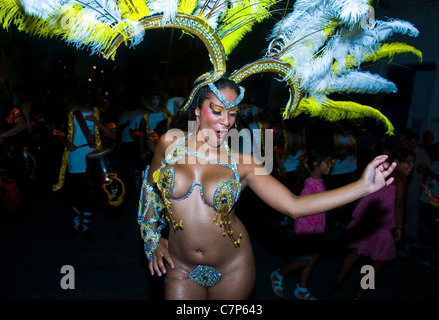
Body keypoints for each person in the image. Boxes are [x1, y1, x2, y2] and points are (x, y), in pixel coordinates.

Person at [138, 77, 396, 300]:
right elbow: (150, 189)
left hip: (232, 266)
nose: (226, 121)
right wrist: (151, 237)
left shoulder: (245, 163)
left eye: (233, 112)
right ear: (197, 109)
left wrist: (362, 186)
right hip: (180, 264)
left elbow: (294, 206)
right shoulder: (170, 142)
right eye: (217, 110)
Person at [331, 148, 415, 300]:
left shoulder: (379, 171)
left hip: (365, 220)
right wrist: (400, 227)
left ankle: (338, 280)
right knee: (376, 261)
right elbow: (399, 205)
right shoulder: (401, 178)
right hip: (382, 225)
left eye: (413, 162)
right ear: (397, 162)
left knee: (356, 252)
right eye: (408, 161)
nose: (411, 165)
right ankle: (359, 294)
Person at [53, 87, 116, 239]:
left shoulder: (101, 115)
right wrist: (67, 142)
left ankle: (85, 227)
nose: (86, 100)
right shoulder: (70, 115)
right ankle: (76, 226)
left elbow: (113, 135)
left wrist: (97, 123)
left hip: (95, 160)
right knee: (75, 194)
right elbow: (57, 133)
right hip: (75, 160)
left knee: (91, 194)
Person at [270, 147, 333, 300]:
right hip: (307, 230)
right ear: (316, 164)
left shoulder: (318, 180)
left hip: (317, 228)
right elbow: (303, 211)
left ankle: (301, 288)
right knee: (301, 260)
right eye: (327, 162)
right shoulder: (310, 184)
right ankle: (278, 275)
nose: (331, 165)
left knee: (313, 258)